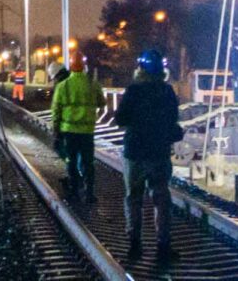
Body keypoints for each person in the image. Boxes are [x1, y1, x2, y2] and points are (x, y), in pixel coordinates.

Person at [112, 48, 183, 262]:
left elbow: (120, 119)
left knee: (133, 198)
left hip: (134, 152)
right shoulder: (167, 92)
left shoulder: (133, 91)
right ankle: (163, 246)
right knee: (161, 199)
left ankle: (135, 245)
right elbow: (173, 121)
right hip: (159, 152)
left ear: (140, 69)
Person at [51, 51, 105, 202]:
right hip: (87, 132)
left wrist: (56, 133)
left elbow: (56, 112)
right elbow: (102, 103)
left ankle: (74, 191)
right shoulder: (92, 84)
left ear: (71, 66)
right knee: (88, 163)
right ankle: (89, 193)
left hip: (69, 132)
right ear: (84, 67)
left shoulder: (63, 86)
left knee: (71, 161)